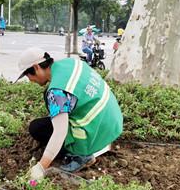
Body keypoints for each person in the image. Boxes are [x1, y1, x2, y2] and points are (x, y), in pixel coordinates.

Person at [16, 48, 123, 180]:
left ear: (36, 67)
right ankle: (97, 144)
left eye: (28, 76)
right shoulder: (71, 63)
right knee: (48, 111)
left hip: (95, 133)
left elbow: (59, 132)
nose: (30, 80)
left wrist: (41, 166)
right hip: (112, 122)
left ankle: (81, 156)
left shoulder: (56, 92)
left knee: (37, 128)